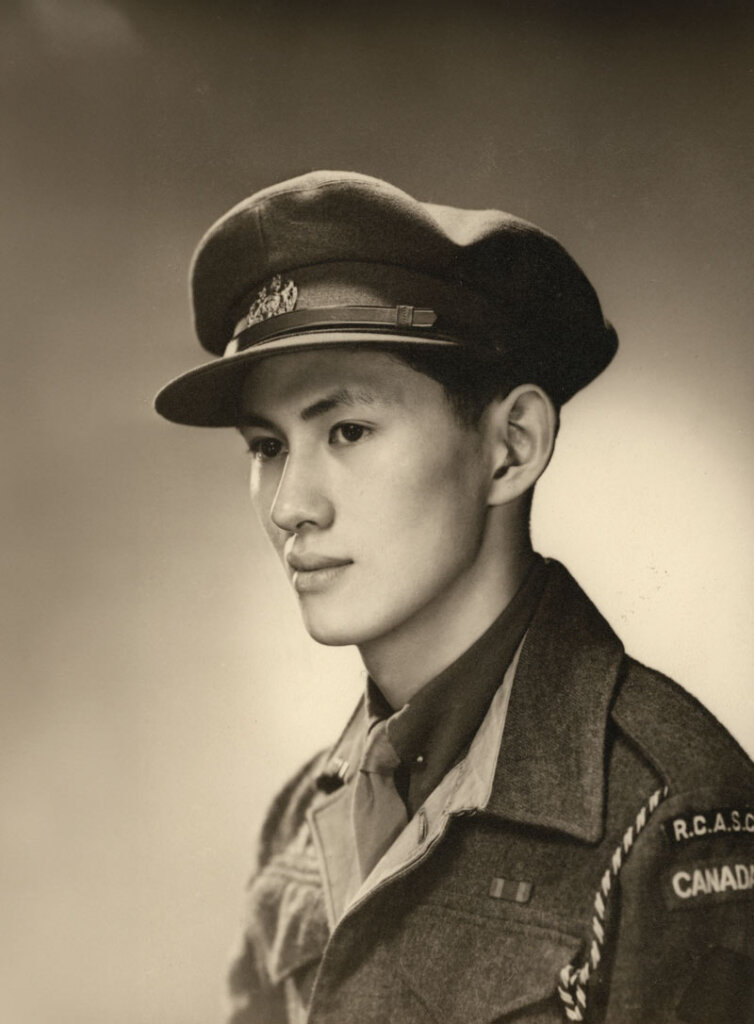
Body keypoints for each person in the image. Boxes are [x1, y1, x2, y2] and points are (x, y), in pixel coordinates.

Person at [155, 171, 753, 1024]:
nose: (290, 506)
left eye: (347, 431)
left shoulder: (670, 813)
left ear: (512, 447)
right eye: (267, 446)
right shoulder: (302, 818)